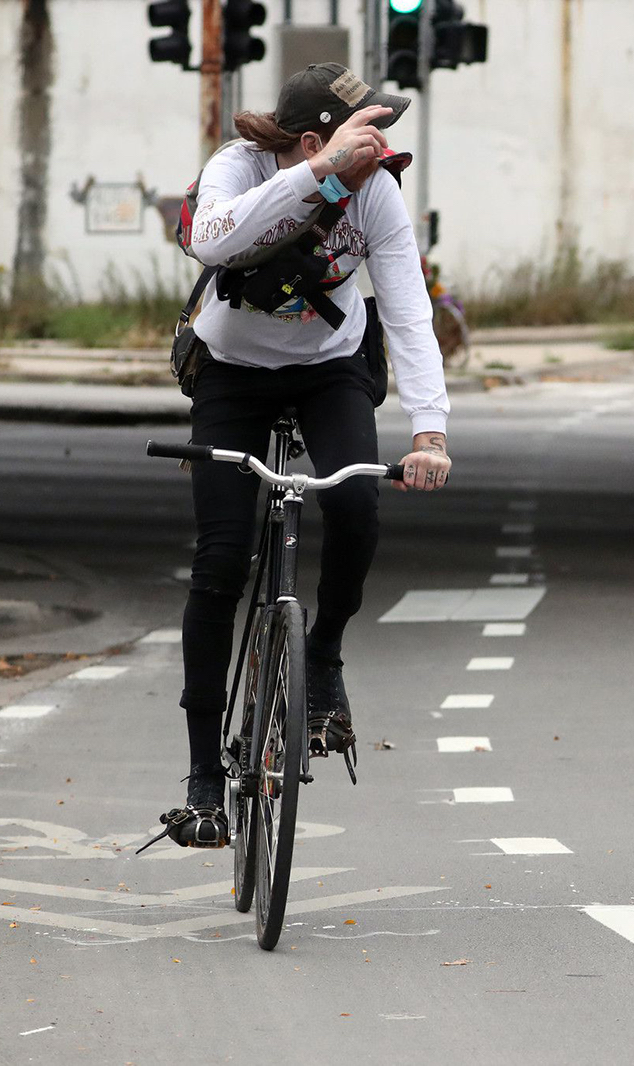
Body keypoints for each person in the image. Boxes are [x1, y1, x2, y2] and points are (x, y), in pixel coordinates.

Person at [161, 64, 452, 848]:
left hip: (330, 367)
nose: (381, 143)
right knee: (220, 560)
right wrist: (318, 177)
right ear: (318, 138)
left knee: (356, 502)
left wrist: (430, 431)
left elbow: (408, 307)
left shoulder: (379, 191)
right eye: (366, 130)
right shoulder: (241, 167)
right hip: (233, 374)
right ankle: (202, 783)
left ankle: (322, 655)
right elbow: (211, 240)